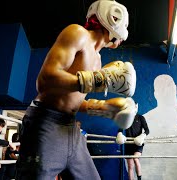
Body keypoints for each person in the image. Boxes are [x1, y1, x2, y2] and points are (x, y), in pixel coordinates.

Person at [16, 0, 138, 179]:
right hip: (45, 122)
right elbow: (45, 80)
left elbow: (74, 99)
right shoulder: (78, 33)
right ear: (112, 18)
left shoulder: (97, 60)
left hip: (70, 127)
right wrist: (95, 80)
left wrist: (103, 108)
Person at [116, 114, 149, 180]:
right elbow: (120, 129)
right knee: (130, 166)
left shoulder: (140, 117)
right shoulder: (125, 118)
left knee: (135, 158)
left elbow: (147, 130)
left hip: (138, 143)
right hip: (128, 143)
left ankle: (139, 179)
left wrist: (142, 136)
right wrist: (120, 134)